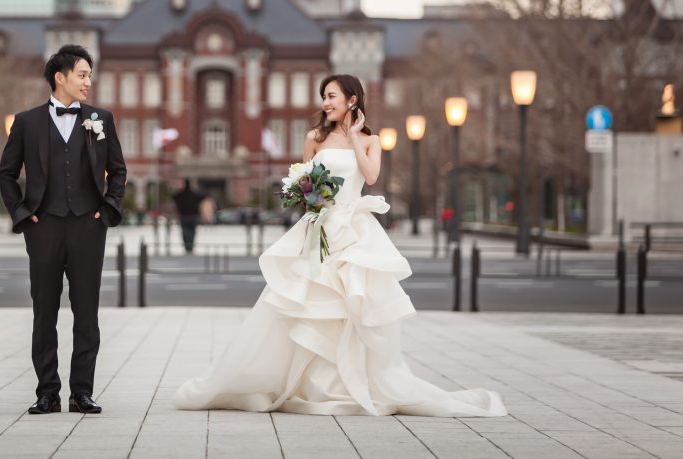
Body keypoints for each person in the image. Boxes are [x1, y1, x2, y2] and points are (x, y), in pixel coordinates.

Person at [174, 74, 506, 417]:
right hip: (320, 226)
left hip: (355, 231)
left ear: (352, 100)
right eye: (323, 97)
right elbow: (302, 183)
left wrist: (352, 137)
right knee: (307, 304)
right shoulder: (314, 138)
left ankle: (345, 382)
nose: (325, 103)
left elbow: (372, 177)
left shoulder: (371, 141)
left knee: (351, 306)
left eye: (331, 96)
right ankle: (301, 381)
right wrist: (311, 199)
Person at [0, 44, 127, 416]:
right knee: (45, 313)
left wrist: (107, 209)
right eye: (82, 74)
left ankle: (81, 393)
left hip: (89, 227)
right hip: (44, 228)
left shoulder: (101, 119)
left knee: (87, 314)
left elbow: (117, 170)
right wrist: (22, 215)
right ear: (61, 77)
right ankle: (47, 393)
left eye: (89, 75)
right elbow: (6, 174)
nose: (89, 81)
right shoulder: (27, 122)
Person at [172, 178, 206, 254]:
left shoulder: (181, 195)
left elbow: (174, 196)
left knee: (185, 232)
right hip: (192, 216)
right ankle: (190, 247)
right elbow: (204, 196)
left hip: (184, 216)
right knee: (192, 232)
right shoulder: (194, 194)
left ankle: (187, 247)